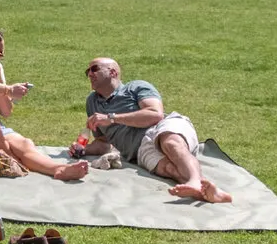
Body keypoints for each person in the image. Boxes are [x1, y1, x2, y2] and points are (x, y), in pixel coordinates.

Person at [0, 25, 89, 181]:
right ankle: (3, 148)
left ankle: (58, 169)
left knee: (24, 144)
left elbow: (5, 111)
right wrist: (7, 89)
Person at [81, 56, 231, 203]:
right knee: (169, 169)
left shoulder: (135, 87)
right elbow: (104, 142)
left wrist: (112, 118)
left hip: (162, 126)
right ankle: (208, 192)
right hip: (139, 148)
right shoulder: (92, 102)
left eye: (94, 69)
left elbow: (155, 114)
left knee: (171, 144)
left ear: (113, 72)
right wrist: (83, 150)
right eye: (87, 71)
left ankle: (195, 181)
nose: (90, 74)